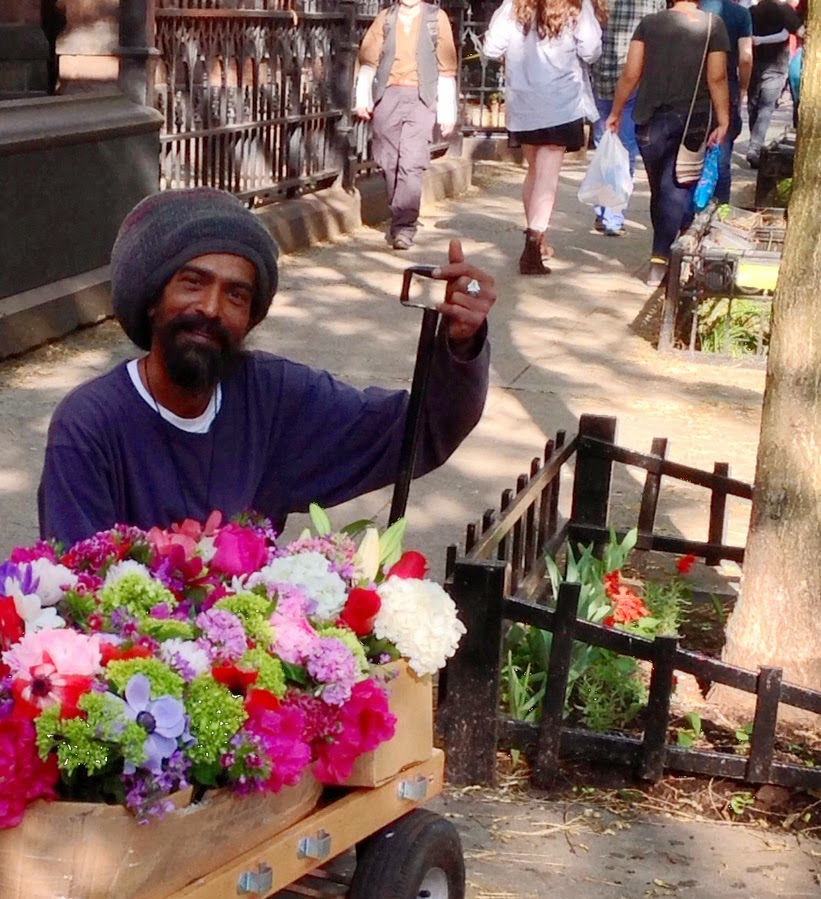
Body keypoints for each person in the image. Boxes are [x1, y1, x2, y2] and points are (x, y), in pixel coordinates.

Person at [37, 188, 494, 545]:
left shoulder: (273, 397)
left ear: (251, 316)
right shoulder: (90, 424)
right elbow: (78, 590)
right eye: (192, 284)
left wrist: (460, 342)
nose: (211, 308)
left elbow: (415, 433)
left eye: (236, 295)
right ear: (152, 300)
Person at [605, 0, 730, 286]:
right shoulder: (713, 26)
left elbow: (631, 73)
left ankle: (663, 257)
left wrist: (616, 111)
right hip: (693, 120)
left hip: (649, 118)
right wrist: (724, 119)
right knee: (676, 188)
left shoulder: (649, 24)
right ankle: (661, 261)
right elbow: (717, 77)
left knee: (659, 190)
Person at [482, 0, 603, 275]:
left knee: (535, 172)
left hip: (524, 103)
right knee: (547, 178)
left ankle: (539, 240)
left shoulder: (514, 5)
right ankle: (533, 247)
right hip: (561, 102)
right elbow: (592, 50)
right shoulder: (576, 6)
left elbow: (491, 47)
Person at [353, 0, 460, 251]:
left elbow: (446, 69)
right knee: (389, 161)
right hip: (388, 94)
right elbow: (368, 61)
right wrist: (362, 99)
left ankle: (404, 226)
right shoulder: (385, 18)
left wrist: (447, 113)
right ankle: (399, 212)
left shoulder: (437, 18)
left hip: (421, 97)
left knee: (412, 161)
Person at [588, 0, 666, 237]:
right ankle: (612, 215)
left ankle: (604, 210)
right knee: (625, 149)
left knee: (604, 145)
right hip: (635, 79)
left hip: (602, 76)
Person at [698, 0, 751, 204]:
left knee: (689, 154)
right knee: (721, 155)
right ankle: (719, 212)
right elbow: (746, 57)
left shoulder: (694, 9)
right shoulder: (740, 14)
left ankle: (687, 216)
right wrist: (743, 87)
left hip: (692, 87)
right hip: (726, 86)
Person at [744, 0, 802, 166]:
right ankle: (755, 147)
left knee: (754, 105)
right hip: (776, 65)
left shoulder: (752, 11)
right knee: (766, 107)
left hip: (755, 64)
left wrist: (758, 41)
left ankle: (755, 145)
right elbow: (794, 32)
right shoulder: (785, 10)